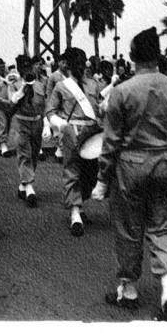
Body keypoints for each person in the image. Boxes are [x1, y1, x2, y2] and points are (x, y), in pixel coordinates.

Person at [91, 27, 167, 321]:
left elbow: (110, 143)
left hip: (130, 166)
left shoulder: (121, 92)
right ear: (158, 56)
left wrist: (101, 178)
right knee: (163, 226)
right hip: (165, 163)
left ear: (132, 57)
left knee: (128, 229)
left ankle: (129, 290)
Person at [45, 47, 101, 236]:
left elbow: (98, 107)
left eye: (82, 61)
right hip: (72, 131)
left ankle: (79, 202)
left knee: (91, 172)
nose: (80, 65)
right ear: (68, 64)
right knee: (72, 170)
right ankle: (75, 212)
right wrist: (60, 125)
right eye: (75, 62)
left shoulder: (94, 84)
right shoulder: (61, 86)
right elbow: (50, 111)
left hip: (92, 132)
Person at [9, 55, 48, 207]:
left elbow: (43, 105)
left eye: (28, 66)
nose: (26, 69)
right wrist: (23, 88)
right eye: (22, 66)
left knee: (34, 154)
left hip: (36, 122)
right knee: (24, 153)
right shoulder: (14, 84)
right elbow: (12, 101)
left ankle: (23, 185)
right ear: (19, 68)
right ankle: (30, 188)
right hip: (21, 122)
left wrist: (46, 123)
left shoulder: (40, 84)